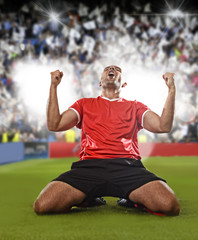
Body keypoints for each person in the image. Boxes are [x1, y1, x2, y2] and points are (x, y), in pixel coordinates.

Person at [33, 65, 180, 216]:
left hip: (128, 167)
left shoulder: (135, 106)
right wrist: (53, 86)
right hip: (89, 167)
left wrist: (171, 90)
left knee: (169, 205)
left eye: (117, 69)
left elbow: (163, 126)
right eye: (108, 69)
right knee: (43, 205)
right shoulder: (84, 104)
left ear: (123, 84)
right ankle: (88, 198)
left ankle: (132, 199)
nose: (112, 69)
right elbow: (54, 124)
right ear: (99, 82)